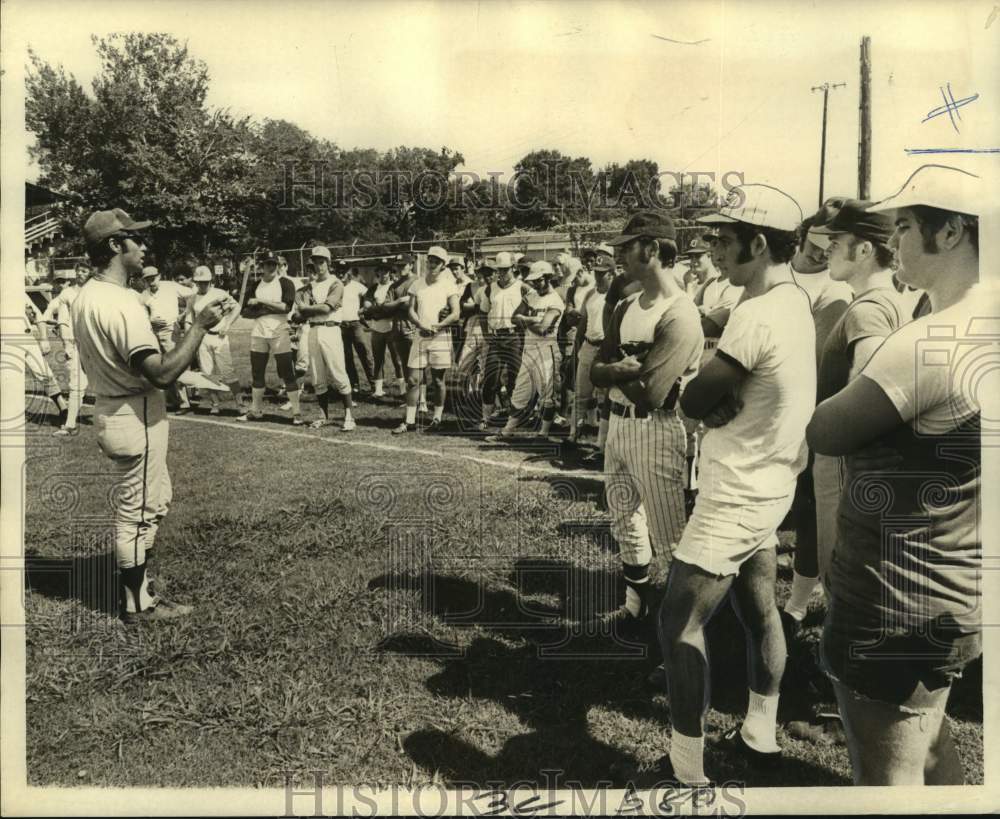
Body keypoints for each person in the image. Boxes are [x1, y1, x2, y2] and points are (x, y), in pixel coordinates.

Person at [808, 164, 988, 785]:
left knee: (886, 788)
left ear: (952, 234)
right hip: (952, 588)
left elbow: (824, 430)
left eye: (906, 226)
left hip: (896, 597)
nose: (895, 243)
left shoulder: (929, 341)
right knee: (931, 752)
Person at [656, 184, 814, 786]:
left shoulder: (757, 311)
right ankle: (759, 731)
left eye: (723, 239)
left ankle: (686, 771)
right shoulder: (793, 300)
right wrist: (716, 394)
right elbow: (720, 389)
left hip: (738, 488)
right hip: (772, 480)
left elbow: (694, 393)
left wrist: (700, 394)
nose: (711, 248)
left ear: (758, 242)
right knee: (758, 609)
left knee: (678, 622)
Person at [72, 208, 227, 623]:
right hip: (134, 413)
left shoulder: (88, 293)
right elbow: (158, 373)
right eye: (134, 239)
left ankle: (139, 591)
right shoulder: (119, 302)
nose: (143, 247)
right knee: (138, 513)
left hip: (113, 406)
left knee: (148, 504)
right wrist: (199, 325)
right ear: (113, 246)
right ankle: (137, 605)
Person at [587, 212, 703, 634]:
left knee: (670, 537)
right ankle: (636, 606)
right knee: (624, 520)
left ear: (651, 250)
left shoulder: (681, 312)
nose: (619, 253)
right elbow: (594, 371)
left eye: (627, 246)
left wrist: (615, 372)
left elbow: (655, 394)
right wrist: (621, 370)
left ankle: (684, 634)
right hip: (619, 426)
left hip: (655, 429)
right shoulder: (625, 306)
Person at [795, 200, 909, 591]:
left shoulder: (867, 311)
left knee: (839, 575)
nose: (827, 249)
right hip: (858, 462)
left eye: (837, 241)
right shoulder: (888, 300)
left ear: (863, 251)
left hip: (844, 459)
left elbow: (870, 395)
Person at [485, 260, 565, 441]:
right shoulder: (532, 296)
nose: (536, 284)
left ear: (548, 278)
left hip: (547, 350)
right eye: (534, 281)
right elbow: (514, 318)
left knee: (547, 393)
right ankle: (507, 430)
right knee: (520, 390)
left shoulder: (556, 300)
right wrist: (532, 320)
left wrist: (527, 320)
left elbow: (544, 329)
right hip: (529, 350)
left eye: (539, 280)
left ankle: (543, 433)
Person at [393, 246, 462, 434]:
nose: (432, 264)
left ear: (443, 265)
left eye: (436, 262)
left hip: (440, 337)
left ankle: (437, 418)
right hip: (420, 336)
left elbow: (456, 313)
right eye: (430, 261)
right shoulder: (418, 284)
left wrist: (438, 327)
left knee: (438, 381)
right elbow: (410, 310)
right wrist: (421, 325)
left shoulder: (449, 285)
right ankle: (409, 421)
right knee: (413, 380)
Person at [237, 251, 303, 424]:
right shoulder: (255, 284)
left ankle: (296, 412)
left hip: (279, 331)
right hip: (259, 332)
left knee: (287, 372)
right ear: (261, 266)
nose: (271, 267)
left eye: (274, 264)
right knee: (257, 372)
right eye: (267, 264)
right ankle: (255, 410)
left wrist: (260, 303)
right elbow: (244, 312)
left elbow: (286, 307)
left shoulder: (285, 283)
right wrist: (266, 308)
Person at [298, 246, 355, 430]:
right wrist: (305, 309)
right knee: (317, 374)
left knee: (338, 372)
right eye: (315, 261)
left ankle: (349, 416)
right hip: (313, 329)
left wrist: (305, 309)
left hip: (331, 329)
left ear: (328, 262)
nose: (318, 265)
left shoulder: (335, 283)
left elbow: (326, 308)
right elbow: (299, 310)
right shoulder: (310, 286)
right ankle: (323, 414)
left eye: (322, 261)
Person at [183, 265, 244, 415]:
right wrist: (189, 337)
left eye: (205, 282)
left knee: (228, 372)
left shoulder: (219, 293)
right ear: (195, 282)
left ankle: (240, 404)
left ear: (210, 281)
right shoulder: (192, 298)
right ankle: (215, 403)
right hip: (203, 338)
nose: (202, 285)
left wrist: (228, 324)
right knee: (207, 372)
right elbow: (189, 319)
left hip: (220, 337)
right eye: (199, 282)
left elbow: (237, 307)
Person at [479, 251, 529, 429]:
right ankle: (486, 417)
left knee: (515, 378)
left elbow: (533, 307)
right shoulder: (490, 288)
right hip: (497, 335)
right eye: (499, 270)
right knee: (490, 377)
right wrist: (486, 334)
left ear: (513, 268)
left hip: (515, 335)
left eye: (505, 269)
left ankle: (515, 418)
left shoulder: (522, 287)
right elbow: (483, 312)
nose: (501, 273)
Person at [569, 252, 613, 445]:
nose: (597, 276)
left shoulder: (617, 296)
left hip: (606, 348)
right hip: (589, 345)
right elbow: (583, 322)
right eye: (596, 272)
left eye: (602, 273)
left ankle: (602, 441)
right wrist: (577, 347)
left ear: (611, 274)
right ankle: (574, 434)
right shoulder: (590, 293)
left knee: (607, 397)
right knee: (581, 394)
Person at [41, 265, 91, 435]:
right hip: (76, 343)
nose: (81, 273)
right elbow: (61, 320)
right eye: (79, 270)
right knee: (76, 383)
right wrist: (68, 344)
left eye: (84, 271)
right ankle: (70, 424)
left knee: (110, 380)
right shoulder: (67, 293)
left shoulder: (95, 290)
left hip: (97, 343)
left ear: (90, 272)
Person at [140, 265, 196, 414]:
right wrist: (150, 321)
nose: (151, 282)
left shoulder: (170, 286)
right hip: (152, 332)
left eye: (153, 278)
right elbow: (141, 314)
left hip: (170, 331)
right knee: (159, 367)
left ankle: (185, 403)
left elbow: (192, 294)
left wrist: (184, 314)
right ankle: (171, 400)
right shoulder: (144, 295)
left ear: (159, 276)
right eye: (147, 280)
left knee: (174, 365)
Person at [362, 260, 403, 398]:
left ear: (390, 272)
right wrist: (381, 308)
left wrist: (379, 308)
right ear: (377, 272)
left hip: (392, 327)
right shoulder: (373, 288)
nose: (384, 274)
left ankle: (403, 389)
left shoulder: (395, 287)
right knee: (378, 359)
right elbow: (367, 306)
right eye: (381, 271)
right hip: (377, 327)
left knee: (397, 359)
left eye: (387, 271)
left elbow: (395, 308)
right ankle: (378, 390)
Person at [340, 265, 376, 394]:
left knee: (366, 354)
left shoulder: (356, 286)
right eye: (338, 272)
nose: (341, 275)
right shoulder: (335, 286)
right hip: (340, 326)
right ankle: (354, 385)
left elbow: (370, 294)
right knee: (346, 356)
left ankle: (374, 385)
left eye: (343, 273)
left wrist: (363, 309)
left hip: (355, 324)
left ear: (349, 274)